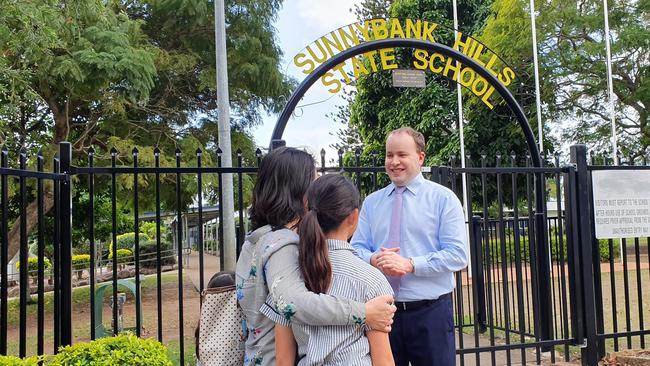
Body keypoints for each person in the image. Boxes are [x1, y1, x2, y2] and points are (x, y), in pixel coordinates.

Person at [235, 147, 396, 366]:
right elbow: (293, 303)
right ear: (298, 189)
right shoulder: (283, 245)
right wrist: (364, 312)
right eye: (311, 180)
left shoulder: (255, 240)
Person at [351, 127, 469, 366]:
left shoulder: (443, 199)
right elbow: (355, 250)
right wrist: (374, 259)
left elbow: (458, 255)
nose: (394, 162)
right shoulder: (373, 203)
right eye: (389, 155)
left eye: (402, 155)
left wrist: (411, 264)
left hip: (430, 315)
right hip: (383, 316)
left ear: (421, 157)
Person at [267, 174, 395, 366]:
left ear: (308, 211)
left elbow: (283, 360)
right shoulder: (371, 279)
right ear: (353, 216)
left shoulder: (288, 279)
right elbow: (383, 360)